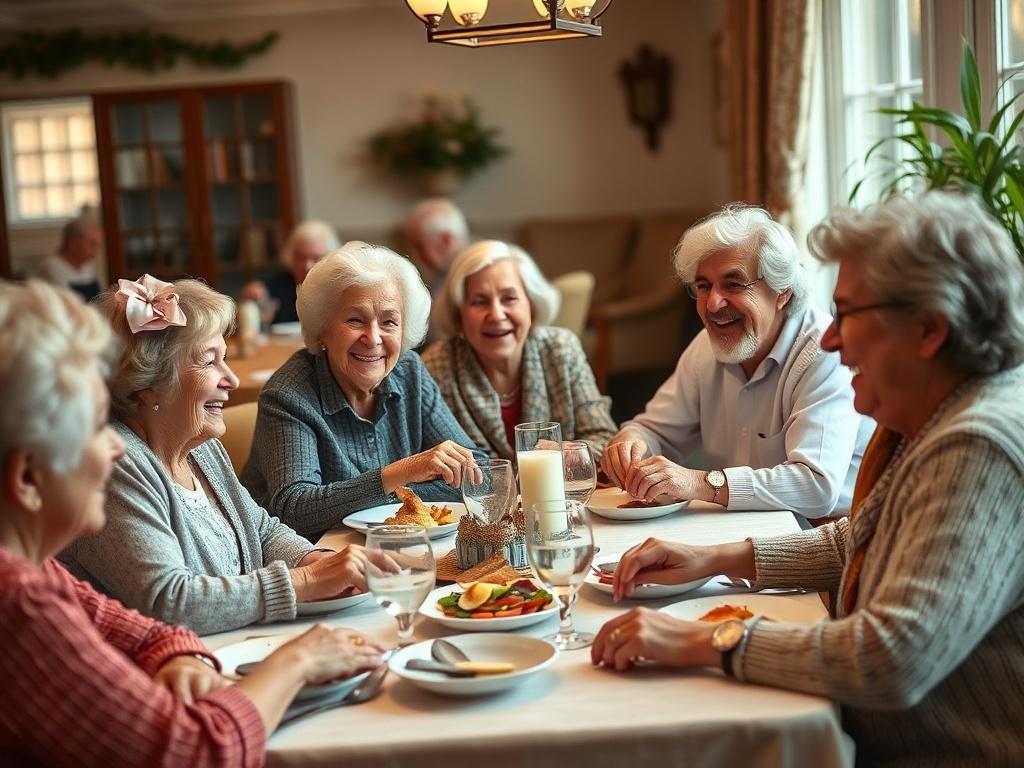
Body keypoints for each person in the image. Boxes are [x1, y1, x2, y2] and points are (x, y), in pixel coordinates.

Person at [592, 192, 1024, 767]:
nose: (828, 338)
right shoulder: (937, 421)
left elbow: (889, 659)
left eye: (849, 315)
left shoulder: (976, 446)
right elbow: (860, 539)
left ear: (928, 329)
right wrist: (717, 558)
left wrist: (702, 640)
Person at [0, 279, 384, 767]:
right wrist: (300, 657)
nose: (113, 446)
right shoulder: (21, 602)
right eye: (92, 428)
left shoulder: (35, 572)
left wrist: (176, 654)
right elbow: (197, 751)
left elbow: (143, 627)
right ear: (28, 478)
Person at [61, 274, 387, 635]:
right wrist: (307, 580)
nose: (230, 378)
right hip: (169, 676)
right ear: (149, 384)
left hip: (242, 646)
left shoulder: (202, 449)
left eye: (226, 358)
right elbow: (169, 602)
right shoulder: (114, 465)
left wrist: (324, 563)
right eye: (209, 361)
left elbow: (262, 531)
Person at [600, 205, 872, 521]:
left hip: (824, 538)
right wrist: (631, 443)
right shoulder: (707, 347)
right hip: (740, 527)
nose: (713, 303)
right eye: (703, 286)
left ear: (781, 292)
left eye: (734, 284)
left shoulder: (824, 352)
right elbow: (654, 430)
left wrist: (699, 482)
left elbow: (816, 487)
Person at [241, 241, 486, 541]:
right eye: (355, 320)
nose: (373, 339)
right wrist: (403, 473)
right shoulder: (289, 394)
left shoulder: (409, 371)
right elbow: (294, 510)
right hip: (314, 562)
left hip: (406, 551)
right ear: (322, 329)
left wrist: (380, 493)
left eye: (389, 322)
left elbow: (475, 470)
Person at [422, 240, 616, 461]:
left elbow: (604, 437)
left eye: (509, 298)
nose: (496, 315)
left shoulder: (561, 350)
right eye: (479, 301)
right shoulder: (436, 368)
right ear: (459, 316)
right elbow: (430, 462)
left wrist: (561, 455)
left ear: (531, 305)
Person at [241, 219, 340, 325]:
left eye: (315, 258)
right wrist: (252, 297)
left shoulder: (340, 288)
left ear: (331, 258)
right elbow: (255, 313)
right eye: (300, 257)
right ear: (291, 256)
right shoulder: (276, 285)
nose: (307, 265)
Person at [404, 198, 469, 298]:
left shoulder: (483, 273)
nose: (416, 255)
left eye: (420, 247)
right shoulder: (438, 278)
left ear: (446, 240)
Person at [37, 212, 103, 301]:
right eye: (92, 244)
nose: (96, 250)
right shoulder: (51, 268)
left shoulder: (88, 264)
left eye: (97, 244)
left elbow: (100, 299)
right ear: (73, 244)